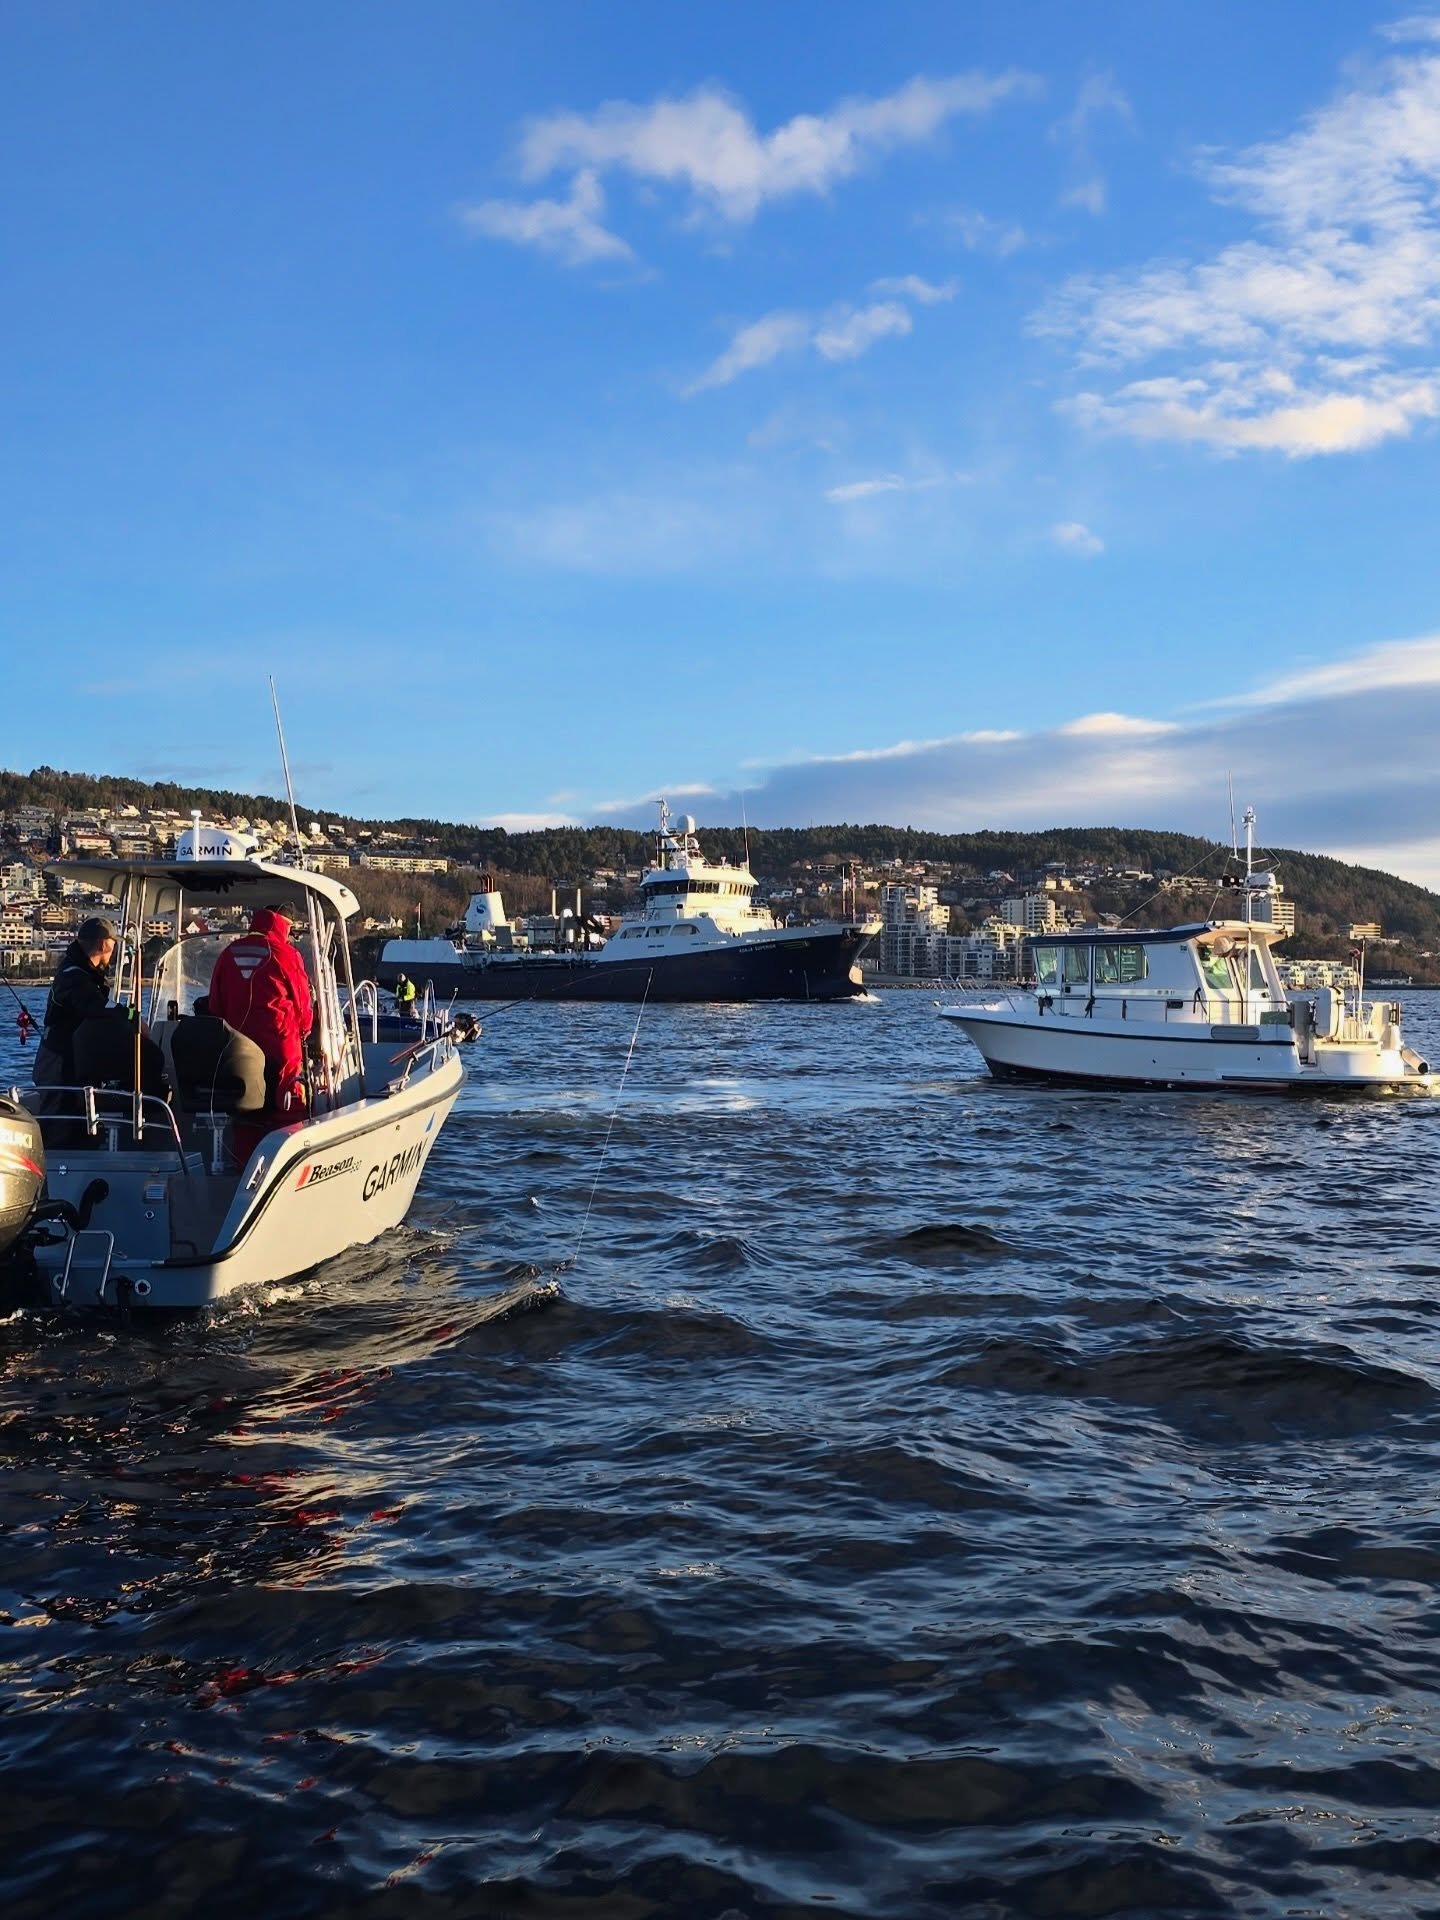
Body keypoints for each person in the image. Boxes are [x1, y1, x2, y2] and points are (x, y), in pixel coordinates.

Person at [207, 904, 314, 1122]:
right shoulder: (287, 955)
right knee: (286, 1113)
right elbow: (303, 1005)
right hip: (280, 1047)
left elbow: (215, 1006)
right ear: (286, 927)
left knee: (245, 1113)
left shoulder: (228, 954)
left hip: (237, 1049)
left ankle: (241, 1151)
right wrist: (305, 1031)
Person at [31, 917, 117, 1110]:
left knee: (78, 1115)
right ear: (104, 944)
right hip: (58, 1061)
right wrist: (132, 1017)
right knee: (59, 1121)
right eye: (113, 945)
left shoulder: (83, 973)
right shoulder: (74, 976)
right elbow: (96, 1007)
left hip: (74, 1058)